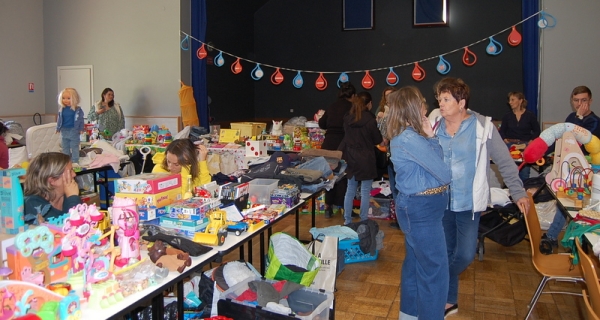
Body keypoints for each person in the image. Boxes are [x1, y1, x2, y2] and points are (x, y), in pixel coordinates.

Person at [434, 78, 530, 317]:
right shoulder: (434, 122)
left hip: (469, 203)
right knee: (445, 251)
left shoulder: (483, 126)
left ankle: (438, 282)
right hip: (440, 202)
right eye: (439, 98)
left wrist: (518, 192)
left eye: (446, 99)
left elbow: (505, 162)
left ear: (461, 103)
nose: (440, 103)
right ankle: (448, 300)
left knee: (465, 254)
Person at [387, 86, 452, 319]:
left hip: (420, 208)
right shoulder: (409, 139)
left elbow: (437, 166)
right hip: (421, 210)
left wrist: (432, 137)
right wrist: (432, 139)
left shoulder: (410, 136)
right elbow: (445, 173)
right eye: (423, 102)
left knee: (415, 267)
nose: (426, 107)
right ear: (413, 107)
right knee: (435, 271)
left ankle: (410, 315)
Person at [541, 85, 598, 254]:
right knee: (564, 204)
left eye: (584, 100)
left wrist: (579, 118)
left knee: (575, 206)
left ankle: (563, 239)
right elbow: (563, 138)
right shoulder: (571, 117)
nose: (579, 104)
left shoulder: (593, 121)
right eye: (576, 100)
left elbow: (579, 141)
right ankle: (557, 238)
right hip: (570, 171)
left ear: (590, 101)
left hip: (587, 173)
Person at [338, 91, 382, 225]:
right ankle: (363, 220)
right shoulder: (370, 119)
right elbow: (377, 140)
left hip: (350, 157)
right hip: (366, 158)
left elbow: (346, 138)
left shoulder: (347, 117)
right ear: (369, 104)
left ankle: (347, 220)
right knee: (365, 191)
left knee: (350, 189)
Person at [319, 82, 355, 218]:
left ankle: (328, 206)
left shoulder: (332, 106)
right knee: (344, 177)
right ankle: (345, 208)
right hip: (343, 145)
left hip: (328, 144)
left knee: (330, 175)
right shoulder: (352, 107)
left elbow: (322, 123)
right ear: (353, 95)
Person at [24, 152, 82, 225]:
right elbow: (68, 227)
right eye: (70, 171)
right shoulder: (33, 204)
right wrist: (73, 198)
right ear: (52, 180)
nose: (74, 174)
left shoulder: (66, 195)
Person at [498, 92, 541, 181]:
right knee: (509, 172)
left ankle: (523, 192)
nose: (510, 102)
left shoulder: (530, 115)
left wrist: (531, 141)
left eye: (513, 100)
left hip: (525, 146)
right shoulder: (507, 116)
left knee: (524, 173)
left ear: (520, 101)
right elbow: (502, 131)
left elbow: (537, 130)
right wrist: (505, 139)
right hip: (510, 145)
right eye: (509, 100)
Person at [374, 86, 399, 227]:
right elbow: (380, 136)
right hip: (390, 154)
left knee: (399, 187)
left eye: (391, 96)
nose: (389, 99)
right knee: (395, 187)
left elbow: (385, 136)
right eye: (387, 96)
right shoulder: (382, 111)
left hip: (397, 155)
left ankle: (400, 218)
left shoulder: (398, 113)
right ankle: (397, 217)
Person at [56, 88, 85, 164]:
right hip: (64, 130)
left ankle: (75, 161)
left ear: (74, 99)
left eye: (68, 98)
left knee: (74, 146)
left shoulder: (77, 109)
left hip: (73, 130)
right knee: (65, 146)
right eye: (63, 98)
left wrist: (81, 128)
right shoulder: (62, 109)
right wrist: (58, 128)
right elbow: (59, 119)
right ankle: (66, 161)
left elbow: (81, 120)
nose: (65, 100)